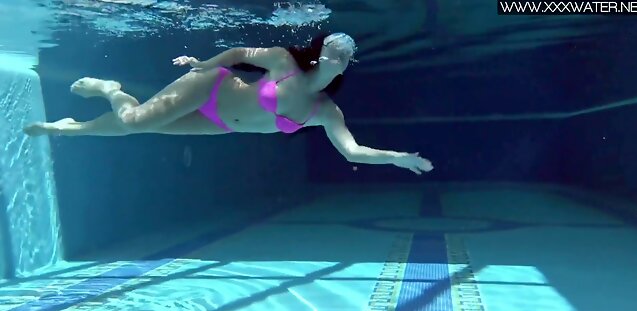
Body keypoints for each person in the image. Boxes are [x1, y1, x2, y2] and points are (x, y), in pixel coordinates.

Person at [24, 33, 433, 175]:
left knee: (141, 124)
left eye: (341, 55)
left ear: (347, 64)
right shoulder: (283, 62)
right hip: (211, 90)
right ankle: (109, 87)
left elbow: (352, 151)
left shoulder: (327, 110)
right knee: (132, 119)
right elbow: (239, 51)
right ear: (319, 50)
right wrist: (204, 65)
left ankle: (68, 128)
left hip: (223, 124)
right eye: (329, 49)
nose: (333, 56)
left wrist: (396, 157)